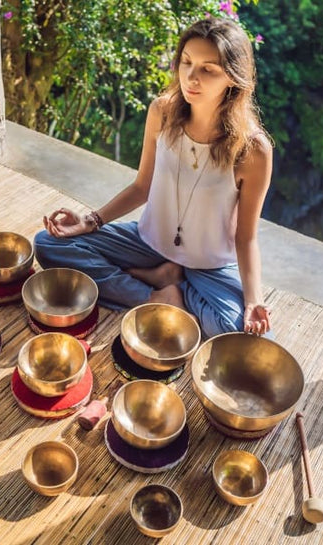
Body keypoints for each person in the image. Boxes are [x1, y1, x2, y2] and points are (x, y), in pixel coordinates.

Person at [35, 17, 272, 338]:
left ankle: (158, 278)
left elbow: (246, 238)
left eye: (208, 69)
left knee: (243, 335)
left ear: (233, 77)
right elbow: (141, 186)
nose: (192, 77)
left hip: (209, 265)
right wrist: (90, 220)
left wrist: (253, 301)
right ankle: (158, 294)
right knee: (49, 243)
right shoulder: (162, 112)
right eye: (187, 62)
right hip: (148, 242)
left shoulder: (253, 149)